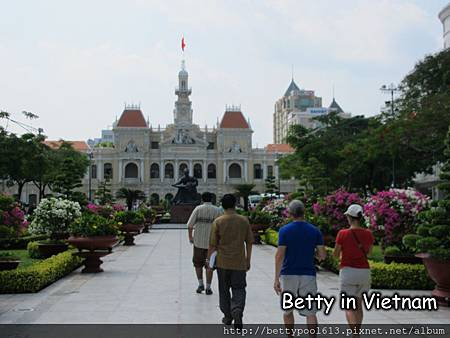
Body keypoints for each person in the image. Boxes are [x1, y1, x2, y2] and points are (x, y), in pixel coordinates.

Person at [274, 200, 326, 338]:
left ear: (290, 213)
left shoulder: (284, 231)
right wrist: (311, 253)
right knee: (311, 312)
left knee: (288, 310)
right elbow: (322, 256)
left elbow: (279, 256)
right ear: (304, 212)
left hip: (288, 274)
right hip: (308, 274)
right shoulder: (315, 231)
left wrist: (276, 279)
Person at [208, 194, 253, 328]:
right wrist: (248, 259)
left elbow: (212, 244)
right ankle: (237, 310)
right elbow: (249, 242)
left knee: (224, 289)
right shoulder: (243, 220)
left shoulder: (218, 221)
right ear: (235, 204)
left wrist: (209, 261)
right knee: (239, 288)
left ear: (222, 205)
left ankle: (228, 316)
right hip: (239, 263)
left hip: (222, 263)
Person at [333, 204, 374, 337]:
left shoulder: (342, 233)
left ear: (350, 217)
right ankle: (357, 332)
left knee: (348, 307)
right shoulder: (368, 234)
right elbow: (370, 254)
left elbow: (335, 253)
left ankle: (355, 334)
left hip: (348, 272)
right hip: (364, 272)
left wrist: (341, 256)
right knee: (358, 305)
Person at [187, 192, 223, 295]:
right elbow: (221, 226)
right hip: (212, 244)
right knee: (210, 265)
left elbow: (190, 225)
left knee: (197, 264)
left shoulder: (198, 209)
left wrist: (190, 237)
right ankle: (208, 287)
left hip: (198, 242)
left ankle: (200, 284)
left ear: (202, 199)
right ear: (211, 199)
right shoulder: (217, 210)